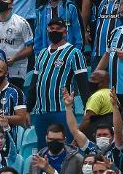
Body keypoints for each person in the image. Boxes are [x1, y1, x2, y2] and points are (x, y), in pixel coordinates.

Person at [26, 17, 90, 149]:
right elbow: (34, 83)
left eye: (58, 28)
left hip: (62, 110)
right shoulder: (42, 53)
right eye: (51, 28)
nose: (54, 31)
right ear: (47, 30)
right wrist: (28, 109)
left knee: (66, 149)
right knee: (43, 149)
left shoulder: (74, 53)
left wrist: (88, 109)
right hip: (41, 111)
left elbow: (83, 84)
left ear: (65, 32)